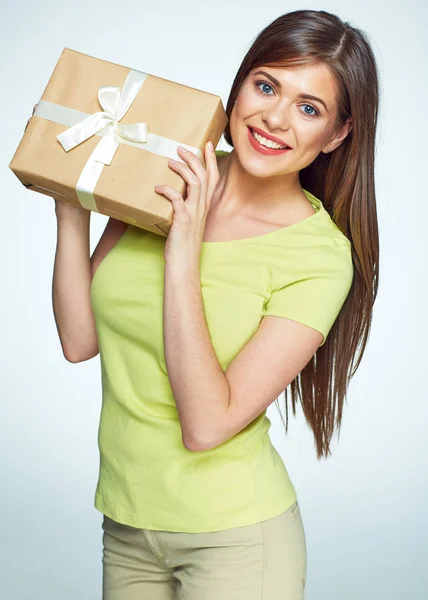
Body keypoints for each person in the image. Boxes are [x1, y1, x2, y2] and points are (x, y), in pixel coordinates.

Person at [44, 8, 379, 600]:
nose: (274, 117)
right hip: (127, 524)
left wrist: (184, 248)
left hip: (238, 541)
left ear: (337, 134)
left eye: (309, 108)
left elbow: (206, 426)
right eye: (267, 85)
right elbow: (79, 340)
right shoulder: (170, 174)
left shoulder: (319, 257)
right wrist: (71, 197)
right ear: (240, 84)